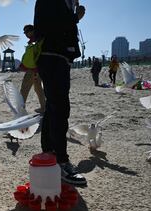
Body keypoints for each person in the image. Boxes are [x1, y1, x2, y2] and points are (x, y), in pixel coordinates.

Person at [34, 0, 87, 185]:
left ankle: (49, 154)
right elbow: (48, 25)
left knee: (53, 105)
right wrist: (76, 17)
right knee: (60, 106)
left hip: (59, 56)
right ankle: (61, 161)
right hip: (52, 56)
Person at [19, 24, 46, 113]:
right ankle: (44, 107)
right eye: (25, 32)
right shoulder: (35, 41)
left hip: (33, 69)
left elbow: (33, 57)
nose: (26, 34)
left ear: (33, 30)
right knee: (38, 89)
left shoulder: (35, 42)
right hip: (37, 69)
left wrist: (25, 66)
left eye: (28, 31)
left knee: (24, 89)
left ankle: (21, 109)